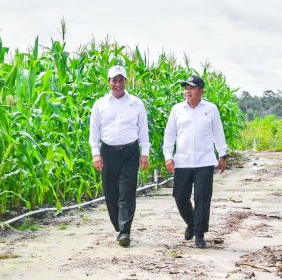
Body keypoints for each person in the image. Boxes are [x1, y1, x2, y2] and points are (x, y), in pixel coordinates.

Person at [162, 75, 227, 248]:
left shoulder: (211, 109)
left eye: (191, 88)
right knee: (180, 196)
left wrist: (223, 155)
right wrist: (168, 156)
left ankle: (199, 234)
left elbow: (218, 133)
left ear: (201, 90)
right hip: (182, 161)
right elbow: (170, 135)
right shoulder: (177, 109)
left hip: (204, 161)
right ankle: (191, 223)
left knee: (202, 198)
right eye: (186, 88)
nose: (187, 91)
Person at [89, 65, 150, 247]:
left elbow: (143, 130)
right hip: (108, 152)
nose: (118, 84)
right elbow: (94, 132)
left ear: (126, 81)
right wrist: (96, 154)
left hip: (130, 152)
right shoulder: (100, 104)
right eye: (114, 80)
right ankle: (119, 225)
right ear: (108, 82)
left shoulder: (136, 103)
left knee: (127, 192)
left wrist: (144, 153)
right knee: (111, 192)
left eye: (121, 80)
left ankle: (125, 231)